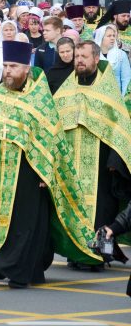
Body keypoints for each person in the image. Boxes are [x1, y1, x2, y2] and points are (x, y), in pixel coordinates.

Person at [0, 40, 101, 288]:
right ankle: (7, 264)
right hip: (1, 173)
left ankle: (23, 269)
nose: (7, 71)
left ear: (26, 68)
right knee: (6, 222)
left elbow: (53, 142)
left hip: (31, 175)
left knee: (28, 224)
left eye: (13, 66)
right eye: (5, 66)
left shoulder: (39, 101)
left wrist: (47, 174)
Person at [53, 41, 131, 269]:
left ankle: (99, 254)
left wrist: (115, 163)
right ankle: (76, 252)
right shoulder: (66, 90)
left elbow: (121, 128)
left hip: (101, 165)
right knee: (72, 207)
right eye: (77, 56)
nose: (79, 60)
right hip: (72, 164)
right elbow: (54, 125)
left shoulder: (107, 92)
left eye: (84, 56)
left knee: (100, 209)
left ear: (96, 59)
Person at [94, 24, 131, 95]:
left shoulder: (121, 54)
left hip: (116, 96)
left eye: (114, 36)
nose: (112, 38)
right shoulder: (93, 54)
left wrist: (123, 98)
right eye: (109, 36)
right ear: (101, 37)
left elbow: (126, 79)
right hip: (98, 95)